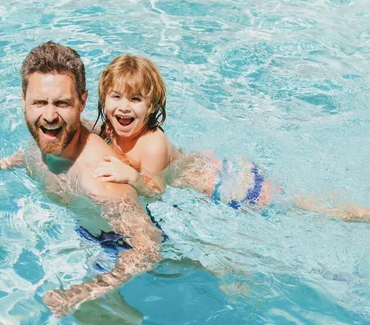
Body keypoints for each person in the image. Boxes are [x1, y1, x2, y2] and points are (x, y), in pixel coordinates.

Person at [0, 42, 164, 317]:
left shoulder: (101, 180)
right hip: (90, 232)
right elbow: (29, 155)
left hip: (115, 245)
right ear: (23, 100)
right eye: (39, 102)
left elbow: (148, 248)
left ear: (82, 102)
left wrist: (86, 291)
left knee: (94, 316)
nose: (49, 116)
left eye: (62, 103)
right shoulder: (45, 142)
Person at [89, 54, 370, 220]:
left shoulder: (152, 143)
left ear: (151, 107)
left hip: (228, 182)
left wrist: (131, 177)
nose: (124, 106)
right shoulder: (110, 127)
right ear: (104, 99)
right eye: (116, 97)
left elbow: (155, 191)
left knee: (300, 206)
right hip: (214, 165)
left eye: (135, 99)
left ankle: (357, 213)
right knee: (296, 202)